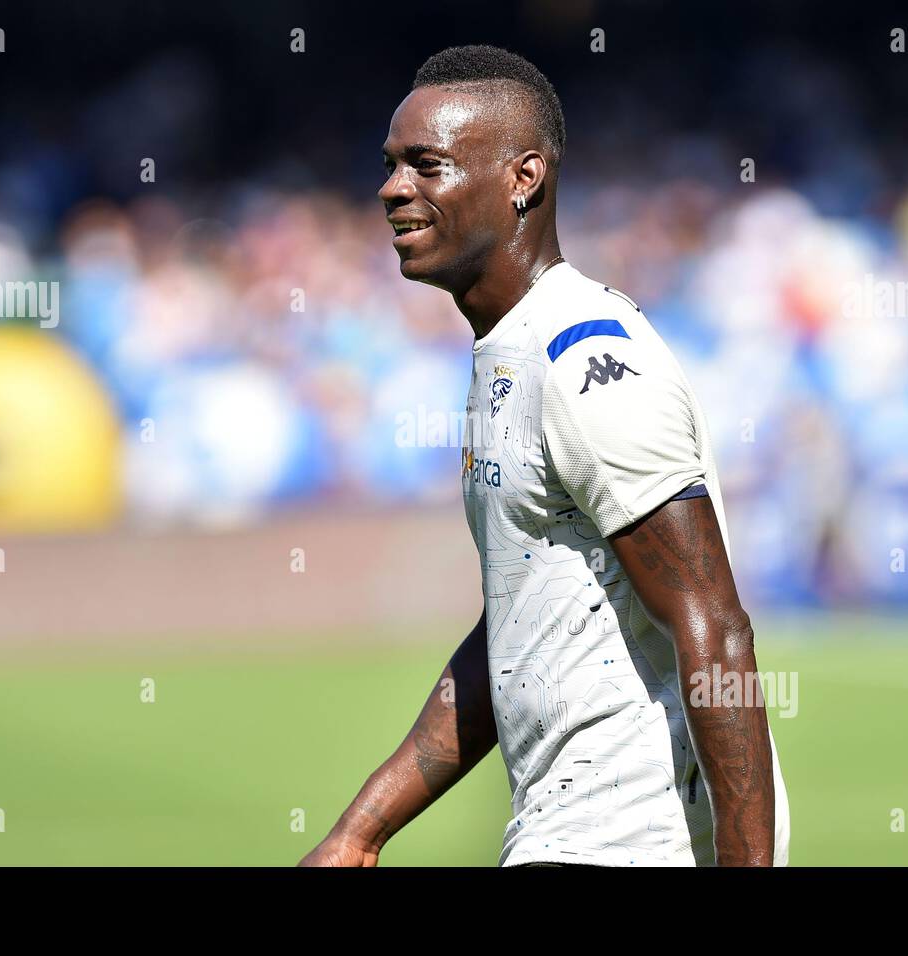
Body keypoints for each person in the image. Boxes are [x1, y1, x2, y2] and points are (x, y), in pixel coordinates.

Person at [300, 44, 789, 867]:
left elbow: (718, 628)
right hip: (566, 837)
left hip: (629, 843)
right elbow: (517, 630)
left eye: (426, 165)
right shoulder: (508, 350)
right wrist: (361, 830)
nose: (391, 189)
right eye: (388, 165)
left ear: (523, 177)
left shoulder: (585, 359)